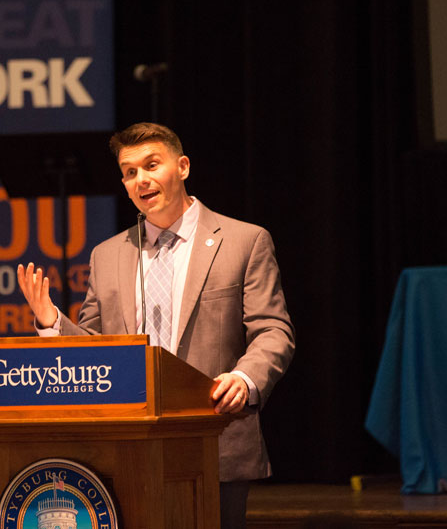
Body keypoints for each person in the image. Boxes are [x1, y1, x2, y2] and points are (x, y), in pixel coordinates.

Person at [17, 122, 295, 529]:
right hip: (127, 446)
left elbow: (273, 330)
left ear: (182, 167)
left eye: (151, 165)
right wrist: (51, 322)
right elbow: (97, 349)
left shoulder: (243, 241)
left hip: (214, 437)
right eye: (129, 172)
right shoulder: (107, 255)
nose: (140, 180)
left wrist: (245, 378)